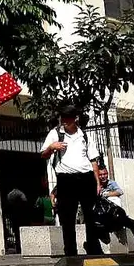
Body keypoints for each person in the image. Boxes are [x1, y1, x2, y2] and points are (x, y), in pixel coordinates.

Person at [40, 105, 103, 257]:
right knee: (67, 216)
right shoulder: (55, 133)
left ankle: (93, 248)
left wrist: (98, 183)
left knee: (91, 215)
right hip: (66, 179)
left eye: (68, 118)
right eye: (63, 118)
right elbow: (43, 154)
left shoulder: (85, 136)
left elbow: (93, 160)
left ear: (75, 119)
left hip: (86, 177)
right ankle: (70, 252)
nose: (65, 121)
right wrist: (51, 147)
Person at [93, 167, 134, 253]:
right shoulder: (95, 185)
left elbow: (119, 192)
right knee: (96, 226)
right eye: (100, 175)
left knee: (133, 223)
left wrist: (107, 194)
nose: (103, 177)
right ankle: (101, 242)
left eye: (105, 174)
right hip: (103, 217)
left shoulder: (111, 183)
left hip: (115, 214)